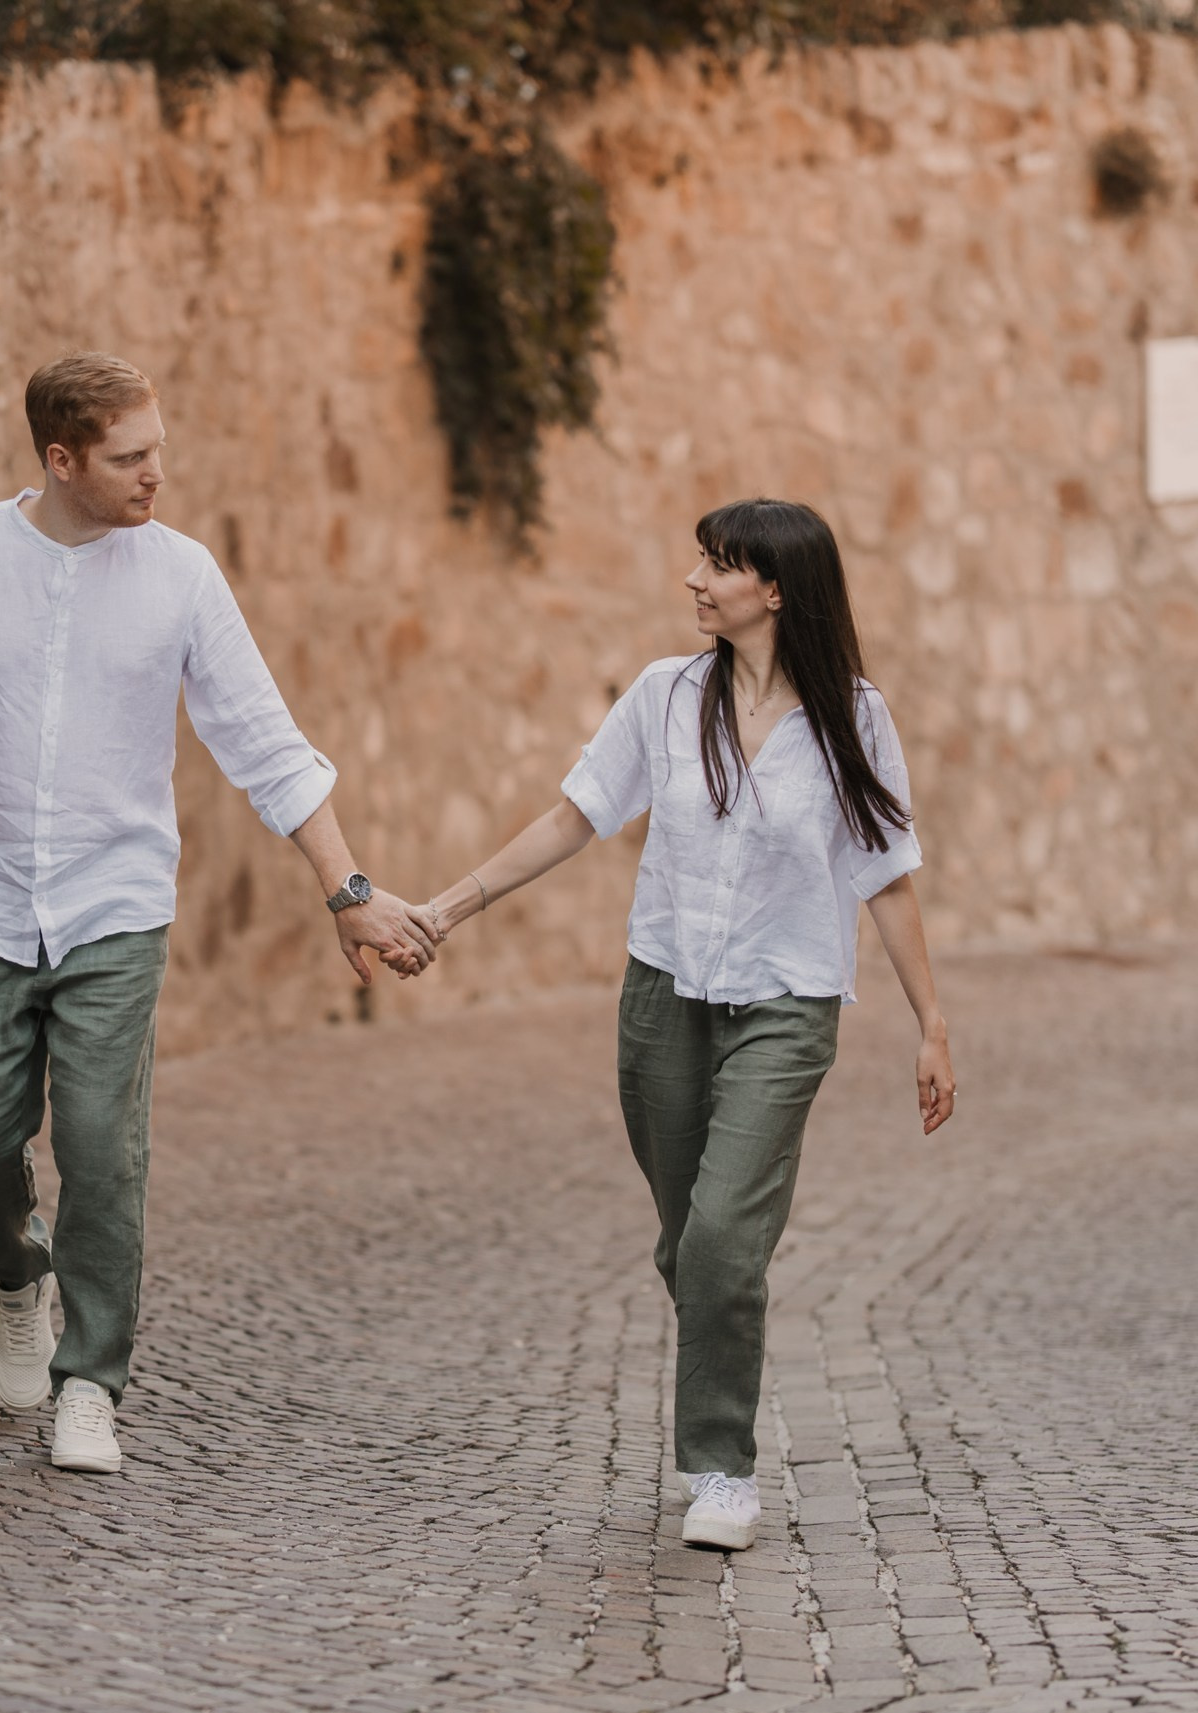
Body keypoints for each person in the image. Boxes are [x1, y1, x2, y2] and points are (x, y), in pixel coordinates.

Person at [0, 352, 434, 1475]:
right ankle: (18, 1278)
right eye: (131, 457)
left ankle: (90, 1383)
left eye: (158, 447)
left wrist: (348, 893)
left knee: (103, 1150)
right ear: (60, 461)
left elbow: (265, 744)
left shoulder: (181, 576)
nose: (157, 473)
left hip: (115, 905)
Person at [415, 497, 956, 1550]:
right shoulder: (665, 697)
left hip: (785, 1004)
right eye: (699, 562)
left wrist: (931, 1023)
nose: (695, 581)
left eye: (718, 566)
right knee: (689, 1248)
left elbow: (887, 879)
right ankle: (720, 1321)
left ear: (776, 590)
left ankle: (719, 1468)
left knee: (717, 1239)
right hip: (662, 997)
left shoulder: (854, 717)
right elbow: (574, 815)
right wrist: (450, 906)